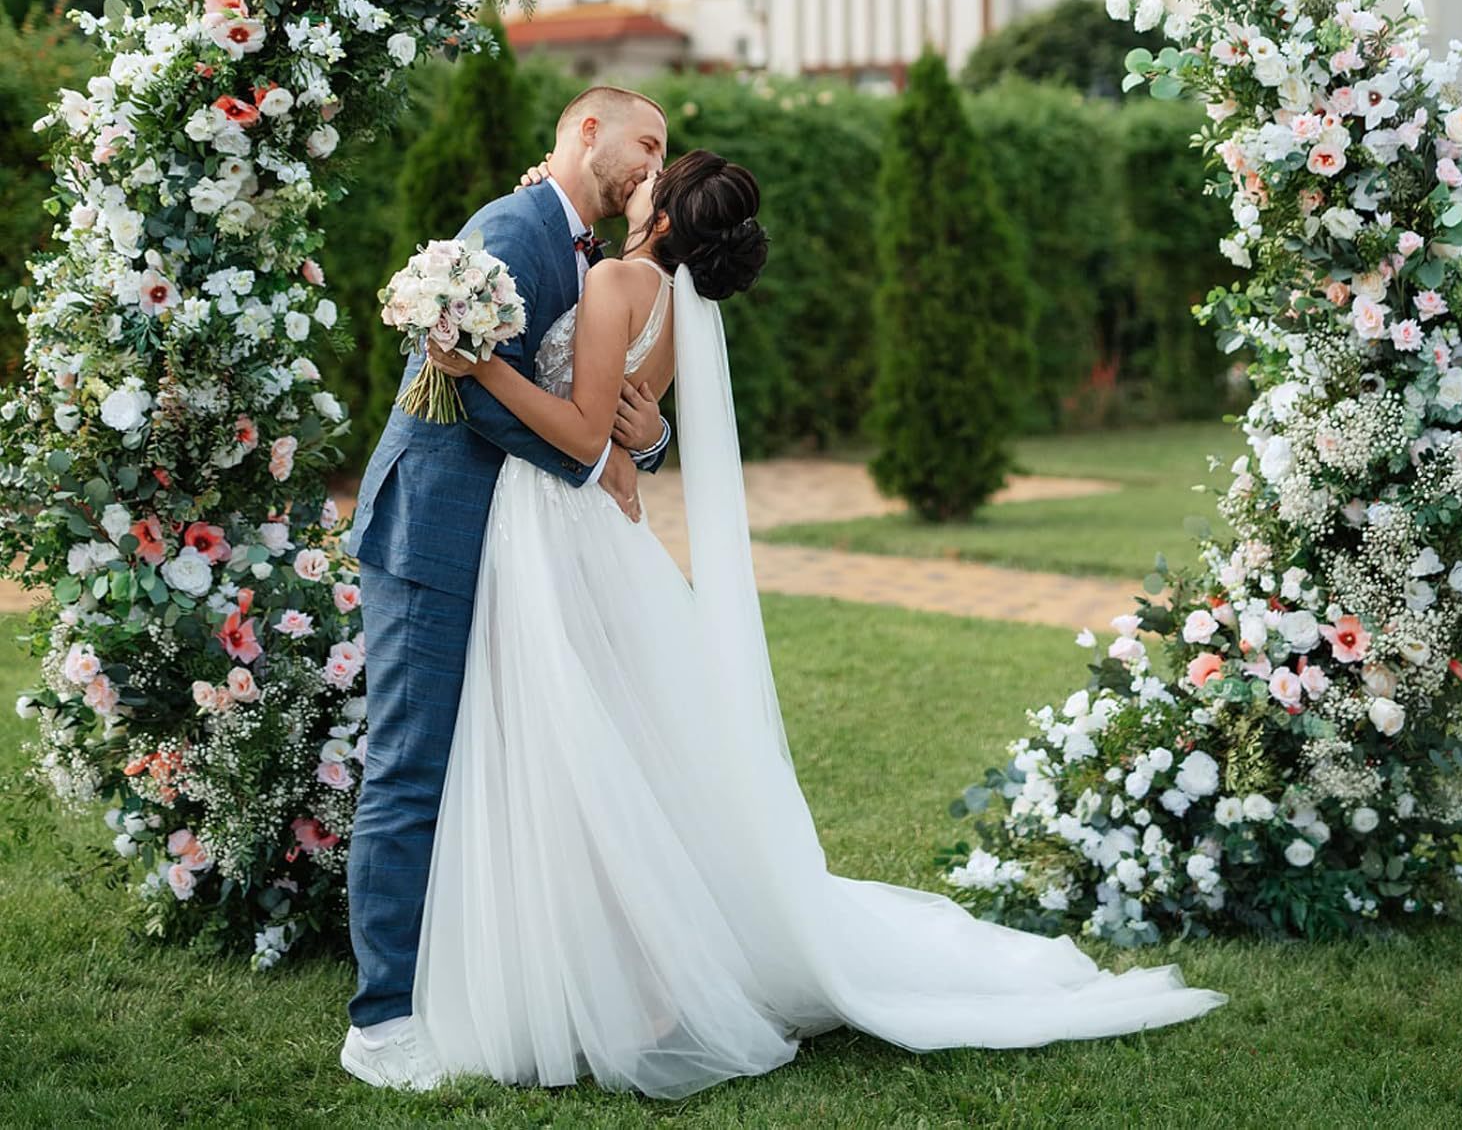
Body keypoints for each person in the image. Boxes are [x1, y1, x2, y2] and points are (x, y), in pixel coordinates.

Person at [372, 147, 1227, 1098]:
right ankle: (636, 975)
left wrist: (477, 361)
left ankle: (623, 983)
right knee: (614, 759)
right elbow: (635, 423)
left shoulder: (616, 277)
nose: (637, 179)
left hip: (558, 530)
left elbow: (581, 437)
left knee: (577, 751)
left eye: (654, 174)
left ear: (661, 213)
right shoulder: (674, 305)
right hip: (595, 539)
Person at [341, 86, 675, 1089]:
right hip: (434, 529)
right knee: (408, 766)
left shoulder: (598, 259)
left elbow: (612, 400)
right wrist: (589, 456)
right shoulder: (514, 228)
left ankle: (474, 978)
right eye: (644, 140)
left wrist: (643, 443)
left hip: (517, 544)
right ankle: (382, 1021)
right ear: (585, 129)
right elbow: (467, 387)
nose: (653, 163)